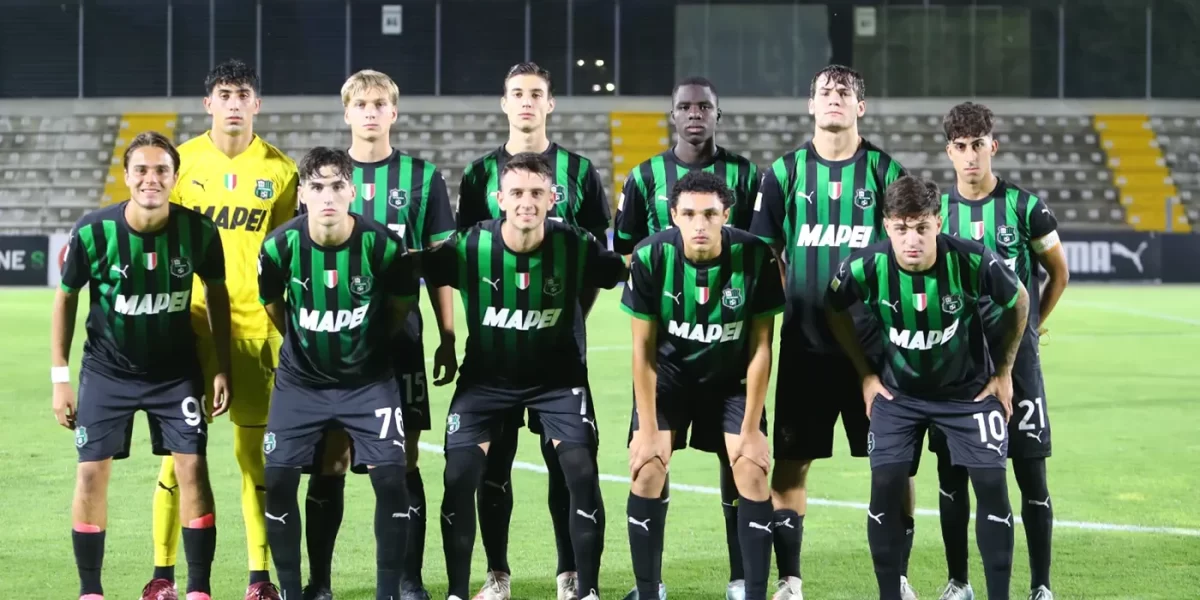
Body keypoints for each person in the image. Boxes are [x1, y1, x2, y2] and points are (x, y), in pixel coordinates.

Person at [425, 152, 627, 600]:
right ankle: (467, 589)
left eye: (537, 193)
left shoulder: (574, 243)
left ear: (553, 198)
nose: (526, 202)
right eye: (516, 192)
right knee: (460, 475)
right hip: (485, 383)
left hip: (558, 382)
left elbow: (624, 269)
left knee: (580, 473)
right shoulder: (469, 244)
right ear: (499, 199)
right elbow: (410, 267)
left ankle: (585, 589)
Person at [748, 64, 916, 600]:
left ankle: (897, 578)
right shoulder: (785, 172)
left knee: (893, 467)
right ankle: (790, 580)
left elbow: (908, 250)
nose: (834, 98)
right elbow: (765, 253)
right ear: (811, 104)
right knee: (791, 465)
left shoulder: (886, 172)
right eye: (825, 91)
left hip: (876, 351)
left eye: (845, 92)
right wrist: (794, 299)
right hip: (806, 347)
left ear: (860, 107)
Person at [295, 69, 459, 600]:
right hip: (331, 346)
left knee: (403, 457)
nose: (370, 112)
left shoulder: (421, 177)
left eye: (379, 103)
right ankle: (320, 583)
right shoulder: (322, 177)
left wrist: (448, 335)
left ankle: (408, 581)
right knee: (331, 458)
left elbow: (439, 267)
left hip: (399, 342)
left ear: (394, 111)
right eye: (360, 104)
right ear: (346, 112)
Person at [826, 175, 1028, 600]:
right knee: (885, 485)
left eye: (921, 227)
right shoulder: (863, 266)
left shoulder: (972, 260)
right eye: (901, 228)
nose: (912, 239)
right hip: (898, 396)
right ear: (887, 226)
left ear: (938, 222)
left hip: (968, 395)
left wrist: (1005, 370)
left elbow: (1019, 299)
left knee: (992, 486)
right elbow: (834, 307)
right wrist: (865, 373)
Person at [456, 61, 611, 600]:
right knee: (492, 466)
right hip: (493, 353)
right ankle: (497, 574)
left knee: (567, 465)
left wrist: (572, 313)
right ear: (505, 102)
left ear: (550, 103)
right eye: (517, 93)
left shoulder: (580, 171)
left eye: (536, 93)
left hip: (559, 351)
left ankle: (570, 574)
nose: (526, 101)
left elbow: (594, 260)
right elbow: (468, 256)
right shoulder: (478, 174)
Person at [53, 131, 230, 600]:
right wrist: (60, 378)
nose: (151, 179)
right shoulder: (92, 231)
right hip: (107, 372)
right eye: (142, 170)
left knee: (193, 468)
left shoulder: (200, 231)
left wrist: (220, 366)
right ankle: (91, 590)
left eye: (161, 170)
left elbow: (217, 295)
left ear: (175, 177)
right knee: (90, 473)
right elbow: (65, 298)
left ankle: (199, 588)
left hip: (175, 375)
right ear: (126, 175)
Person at [612, 76, 761, 600]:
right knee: (650, 458)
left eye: (704, 107)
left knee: (739, 460)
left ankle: (744, 580)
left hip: (729, 344)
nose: (694, 114)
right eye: (685, 106)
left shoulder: (747, 175)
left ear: (718, 114)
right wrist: (662, 287)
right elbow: (627, 247)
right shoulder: (644, 177)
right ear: (672, 114)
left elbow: (760, 248)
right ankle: (649, 586)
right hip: (670, 341)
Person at [163, 58, 298, 600]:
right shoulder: (180, 164)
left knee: (253, 460)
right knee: (179, 460)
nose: (234, 103)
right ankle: (163, 576)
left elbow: (286, 256)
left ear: (256, 104)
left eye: (243, 94)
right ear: (208, 104)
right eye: (225, 94)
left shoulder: (281, 171)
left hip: (255, 332)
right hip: (190, 329)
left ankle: (259, 578)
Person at [257, 147, 418, 600]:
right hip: (300, 384)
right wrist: (306, 346)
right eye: (316, 187)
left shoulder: (384, 246)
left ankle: (387, 593)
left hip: (369, 383)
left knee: (391, 479)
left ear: (352, 191)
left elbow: (400, 307)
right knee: (280, 480)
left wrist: (368, 349)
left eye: (336, 186)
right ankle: (294, 591)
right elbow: (273, 306)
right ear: (302, 195)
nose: (327, 196)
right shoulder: (279, 246)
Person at [929, 102, 1069, 600]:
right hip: (956, 364)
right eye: (961, 147)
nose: (971, 156)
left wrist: (1029, 329)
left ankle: (1041, 585)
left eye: (978, 145)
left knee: (1030, 471)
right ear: (949, 152)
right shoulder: (937, 215)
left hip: (1018, 365)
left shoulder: (1025, 208)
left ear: (994, 145)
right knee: (953, 475)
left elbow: (1058, 274)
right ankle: (959, 582)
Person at [622, 171, 784, 600]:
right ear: (674, 215)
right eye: (690, 214)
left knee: (751, 471)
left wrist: (751, 429)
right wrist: (648, 429)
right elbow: (642, 350)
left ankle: (749, 590)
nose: (700, 224)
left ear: (726, 215)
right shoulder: (650, 256)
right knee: (647, 468)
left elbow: (762, 347)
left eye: (710, 214)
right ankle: (649, 590)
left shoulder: (755, 256)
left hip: (730, 381)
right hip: (669, 381)